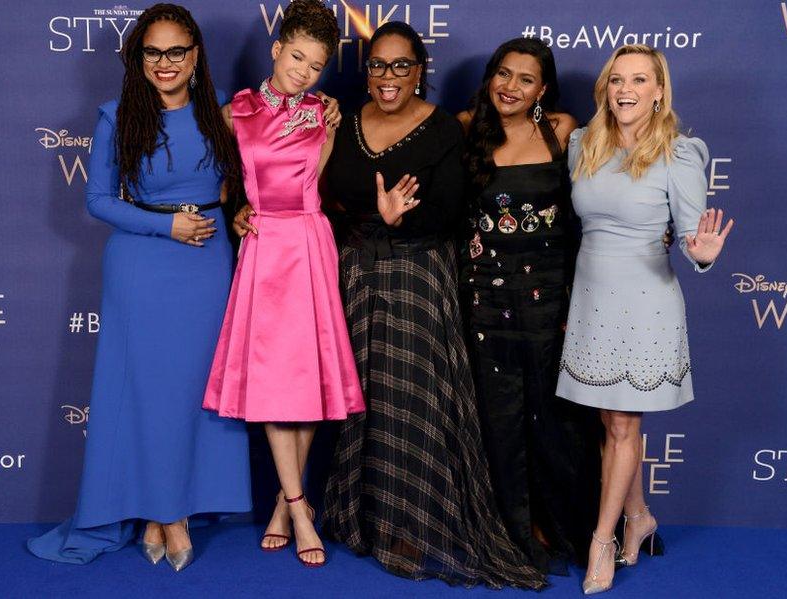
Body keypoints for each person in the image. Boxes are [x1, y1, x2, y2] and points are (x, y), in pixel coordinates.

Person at [314, 22, 545, 589]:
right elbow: (318, 192)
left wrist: (397, 219)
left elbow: (448, 210)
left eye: (400, 65)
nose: (386, 77)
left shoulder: (443, 130)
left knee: (409, 402)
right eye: (376, 65)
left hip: (418, 276)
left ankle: (411, 523)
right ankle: (362, 513)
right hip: (352, 275)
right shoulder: (341, 122)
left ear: (420, 70)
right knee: (360, 400)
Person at [28, 4, 252, 571]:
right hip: (141, 265)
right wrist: (166, 224)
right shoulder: (115, 116)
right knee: (147, 394)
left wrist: (244, 211)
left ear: (195, 55)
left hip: (207, 266)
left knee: (191, 393)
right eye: (153, 52)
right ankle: (163, 515)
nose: (165, 63)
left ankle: (171, 508)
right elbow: (97, 200)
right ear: (138, 59)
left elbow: (264, 170)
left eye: (176, 51)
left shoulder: (224, 115)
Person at [557, 44, 733, 594]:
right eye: (617, 80)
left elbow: (690, 236)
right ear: (605, 89)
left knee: (624, 424)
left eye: (639, 80)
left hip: (645, 303)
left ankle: (601, 540)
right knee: (611, 424)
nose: (626, 90)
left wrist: (702, 255)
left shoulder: (679, 155)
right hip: (589, 299)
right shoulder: (583, 143)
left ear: (659, 91)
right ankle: (640, 516)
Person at [202, 0, 363, 569]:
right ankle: (299, 508)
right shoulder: (235, 112)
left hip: (310, 243)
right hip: (265, 247)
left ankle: (281, 504)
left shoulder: (326, 113)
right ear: (276, 48)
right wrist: (237, 215)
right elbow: (223, 190)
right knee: (274, 382)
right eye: (296, 56)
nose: (303, 71)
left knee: (311, 379)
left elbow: (316, 182)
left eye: (316, 64)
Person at [456, 38, 602, 575]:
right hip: (485, 299)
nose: (510, 87)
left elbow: (607, 190)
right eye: (503, 73)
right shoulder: (467, 125)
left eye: (525, 79)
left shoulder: (561, 130)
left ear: (543, 90)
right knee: (499, 419)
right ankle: (513, 533)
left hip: (551, 299)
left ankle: (563, 527)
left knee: (557, 419)